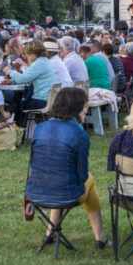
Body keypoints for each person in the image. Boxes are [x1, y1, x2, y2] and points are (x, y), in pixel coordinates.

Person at [25, 87, 112, 249]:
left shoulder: (39, 128)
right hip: (67, 195)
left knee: (58, 179)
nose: (86, 111)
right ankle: (100, 237)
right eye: (84, 107)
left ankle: (50, 231)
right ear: (76, 110)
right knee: (89, 179)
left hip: (34, 193)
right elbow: (81, 176)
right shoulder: (79, 134)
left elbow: (34, 165)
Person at [3, 40, 57, 126]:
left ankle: (12, 124)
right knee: (19, 99)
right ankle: (13, 125)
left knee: (18, 100)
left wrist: (9, 71)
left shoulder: (38, 64)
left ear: (35, 52)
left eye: (28, 53)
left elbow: (23, 79)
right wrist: (12, 81)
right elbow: (28, 77)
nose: (27, 56)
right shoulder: (45, 61)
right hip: (47, 100)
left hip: (41, 102)